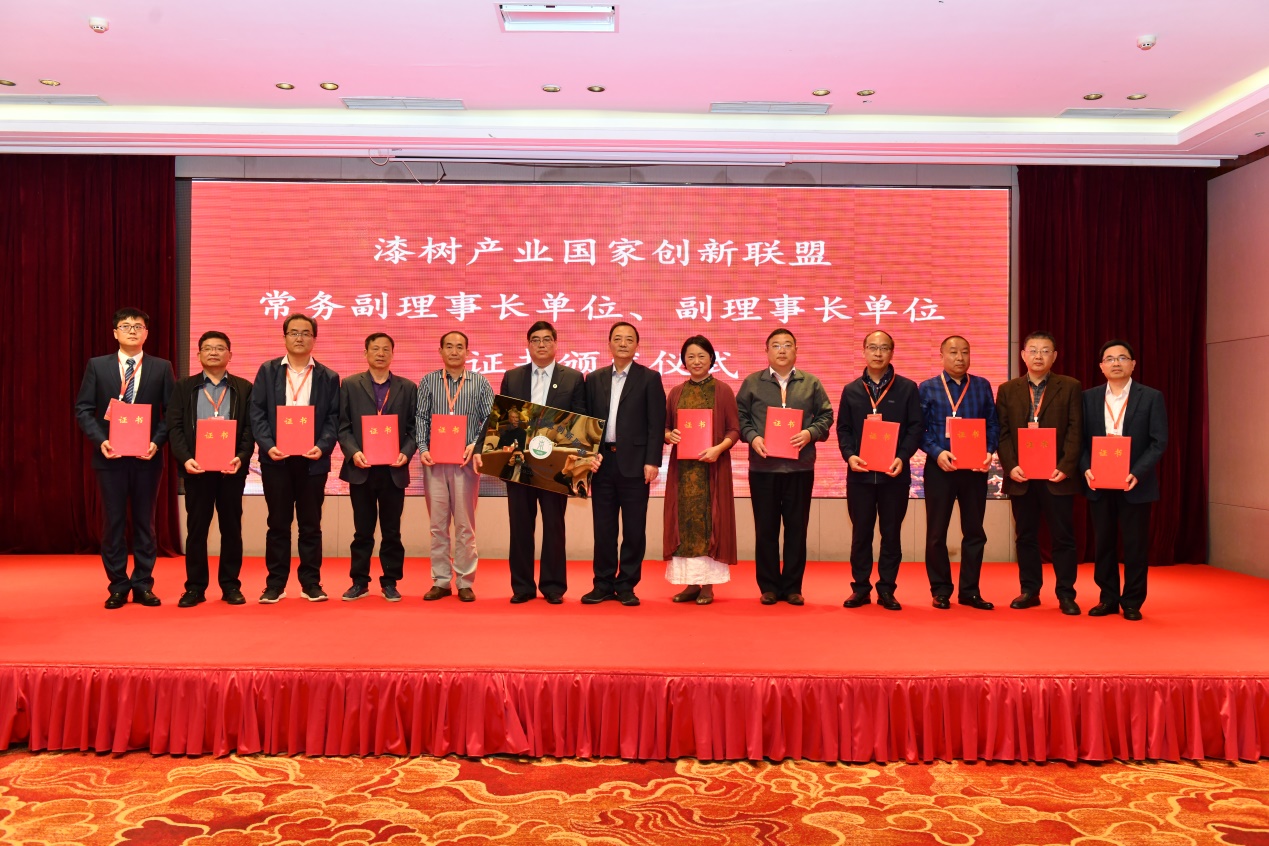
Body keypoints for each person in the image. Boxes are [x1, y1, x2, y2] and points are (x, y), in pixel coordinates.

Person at [74, 307, 176, 609]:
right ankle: (118, 585)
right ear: (115, 332)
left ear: (146, 333)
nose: (132, 330)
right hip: (110, 457)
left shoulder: (161, 367)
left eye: (138, 326)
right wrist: (101, 441)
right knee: (113, 523)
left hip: (147, 458)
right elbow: (83, 409)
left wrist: (156, 443)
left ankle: (143, 584)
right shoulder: (97, 366)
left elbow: (171, 412)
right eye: (126, 326)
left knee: (145, 523)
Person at [736, 328, 834, 606]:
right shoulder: (752, 382)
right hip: (763, 469)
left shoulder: (810, 382)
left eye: (787, 345)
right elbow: (740, 416)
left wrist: (810, 433)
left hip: (799, 469)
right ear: (766, 350)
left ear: (796, 350)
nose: (782, 350)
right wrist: (752, 437)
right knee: (765, 530)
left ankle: (792, 587)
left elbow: (827, 415)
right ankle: (768, 586)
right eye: (776, 345)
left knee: (796, 530)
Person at [249, 313, 341, 604]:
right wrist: (268, 445)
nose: (299, 338)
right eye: (293, 332)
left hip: (313, 461)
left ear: (314, 338)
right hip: (277, 459)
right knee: (277, 524)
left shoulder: (328, 376)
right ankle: (275, 584)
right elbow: (257, 412)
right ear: (285, 337)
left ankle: (311, 583)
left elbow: (333, 418)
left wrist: (323, 446)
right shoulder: (268, 371)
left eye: (305, 333)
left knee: (310, 525)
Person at [498, 321, 587, 604]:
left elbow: (579, 421)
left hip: (554, 466)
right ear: (528, 345)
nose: (541, 344)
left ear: (555, 344)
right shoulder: (512, 377)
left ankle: (553, 586)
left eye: (547, 339)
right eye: (535, 340)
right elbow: (504, 421)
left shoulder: (573, 378)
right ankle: (522, 587)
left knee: (554, 527)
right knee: (520, 527)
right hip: (519, 463)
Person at [995, 332, 1083, 615]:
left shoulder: (1070, 386)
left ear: (1054, 356)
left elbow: (1076, 430)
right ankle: (1029, 590)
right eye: (1033, 350)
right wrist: (1011, 465)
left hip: (1057, 476)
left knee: (1063, 538)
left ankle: (1066, 594)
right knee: (1025, 537)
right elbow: (1002, 433)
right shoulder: (1007, 389)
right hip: (1022, 477)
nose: (1038, 356)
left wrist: (1065, 467)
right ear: (1023, 355)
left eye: (1045, 351)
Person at [1081, 340, 1168, 621]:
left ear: (1133, 364)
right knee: (1104, 544)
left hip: (1134, 483)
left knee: (1135, 546)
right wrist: (1086, 468)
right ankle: (1107, 599)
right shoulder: (1088, 398)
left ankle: (1132, 601)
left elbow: (1158, 441)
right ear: (1101, 367)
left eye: (1122, 357)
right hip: (1099, 482)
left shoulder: (1151, 397)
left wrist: (1137, 472)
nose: (1116, 363)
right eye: (1109, 358)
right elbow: (1079, 440)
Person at [836, 330, 924, 611]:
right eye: (872, 347)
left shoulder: (907, 388)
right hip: (859, 476)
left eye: (884, 348)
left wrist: (902, 457)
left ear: (892, 352)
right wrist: (849, 456)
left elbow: (915, 428)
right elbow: (843, 429)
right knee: (861, 534)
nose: (878, 353)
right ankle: (860, 588)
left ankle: (887, 589)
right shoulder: (851, 390)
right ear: (864, 351)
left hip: (894, 476)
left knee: (891, 534)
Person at [166, 331, 255, 607]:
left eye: (219, 348)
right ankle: (195, 588)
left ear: (230, 354)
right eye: (207, 348)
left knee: (231, 529)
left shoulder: (244, 387)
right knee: (197, 530)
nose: (213, 352)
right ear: (199, 355)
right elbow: (174, 426)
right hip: (197, 470)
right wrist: (185, 459)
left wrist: (241, 456)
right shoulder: (184, 386)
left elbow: (250, 428)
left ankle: (230, 586)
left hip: (231, 470)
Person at [582, 321, 667, 607]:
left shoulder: (649, 378)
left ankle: (627, 585)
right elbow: (586, 422)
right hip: (602, 463)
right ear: (609, 344)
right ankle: (603, 584)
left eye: (629, 339)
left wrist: (652, 461)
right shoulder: (594, 379)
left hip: (636, 464)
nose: (623, 343)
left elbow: (656, 424)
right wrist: (587, 456)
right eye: (617, 338)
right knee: (603, 529)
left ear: (636, 345)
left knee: (633, 529)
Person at [917, 335, 1000, 610]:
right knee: (936, 533)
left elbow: (993, 424)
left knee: (974, 531)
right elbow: (920, 429)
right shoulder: (927, 388)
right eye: (953, 352)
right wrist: (937, 452)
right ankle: (940, 590)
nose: (960, 358)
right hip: (940, 467)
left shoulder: (981, 385)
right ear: (941, 356)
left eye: (965, 352)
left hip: (974, 469)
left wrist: (989, 450)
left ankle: (970, 591)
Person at [337, 332, 418, 602]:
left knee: (392, 531)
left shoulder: (407, 387)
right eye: (375, 349)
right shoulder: (350, 384)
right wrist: (354, 452)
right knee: (362, 531)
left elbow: (413, 428)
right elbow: (343, 426)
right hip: (361, 469)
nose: (380, 353)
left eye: (386, 349)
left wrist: (406, 453)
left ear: (392, 354)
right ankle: (359, 582)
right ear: (366, 353)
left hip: (394, 470)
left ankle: (390, 582)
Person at [415, 330, 494, 603]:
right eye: (449, 346)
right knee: (438, 526)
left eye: (460, 347)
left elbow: (489, 419)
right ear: (440, 351)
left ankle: (464, 581)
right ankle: (440, 580)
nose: (454, 351)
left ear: (467, 352)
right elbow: (421, 418)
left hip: (465, 462)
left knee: (464, 525)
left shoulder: (480, 383)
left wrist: (475, 445)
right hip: (434, 462)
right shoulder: (428, 381)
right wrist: (423, 448)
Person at [663, 335, 739, 605]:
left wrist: (719, 448)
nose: (696, 361)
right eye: (691, 357)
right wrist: (669, 435)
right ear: (684, 361)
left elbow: (734, 429)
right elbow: (665, 427)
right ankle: (691, 583)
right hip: (683, 472)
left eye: (702, 356)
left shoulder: (723, 391)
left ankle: (708, 585)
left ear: (711, 359)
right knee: (685, 524)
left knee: (711, 522)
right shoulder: (676, 392)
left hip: (712, 469)